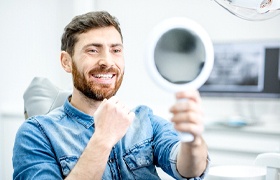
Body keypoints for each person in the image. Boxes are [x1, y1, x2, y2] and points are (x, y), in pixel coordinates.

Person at [13, 11, 209, 180]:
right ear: (66, 62)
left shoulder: (144, 119)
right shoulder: (36, 133)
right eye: (92, 50)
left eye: (116, 50)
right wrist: (102, 139)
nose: (107, 61)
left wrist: (192, 140)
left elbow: (187, 169)